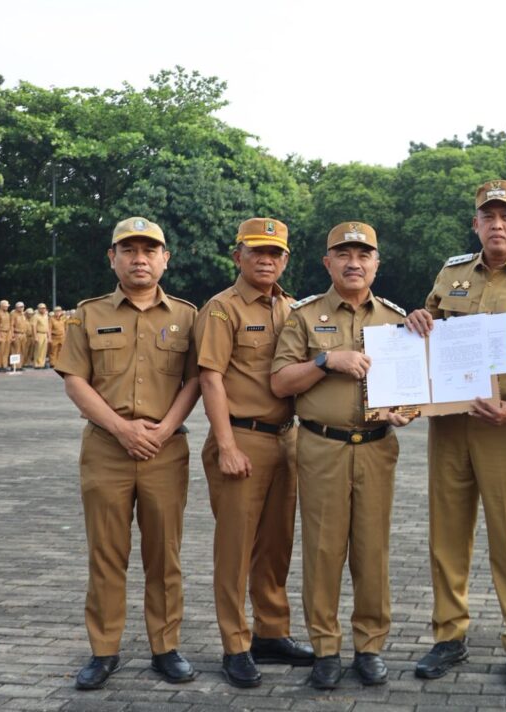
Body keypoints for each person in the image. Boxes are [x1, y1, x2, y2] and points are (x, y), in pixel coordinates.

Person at [404, 180, 506, 687]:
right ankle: (448, 635)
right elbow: (429, 327)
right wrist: (417, 320)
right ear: (475, 224)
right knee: (447, 533)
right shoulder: (452, 273)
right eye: (487, 215)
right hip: (451, 425)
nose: (497, 224)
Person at [54, 216, 201, 690]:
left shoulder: (187, 315)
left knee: (165, 554)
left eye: (149, 251)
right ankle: (104, 650)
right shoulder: (88, 314)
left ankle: (165, 646)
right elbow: (75, 380)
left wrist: (163, 429)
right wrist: (120, 428)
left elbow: (197, 379)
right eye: (129, 250)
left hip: (164, 449)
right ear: (112, 258)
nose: (140, 259)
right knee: (106, 554)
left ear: (165, 260)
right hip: (106, 448)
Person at [271, 221, 412, 690]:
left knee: (373, 552)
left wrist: (407, 410)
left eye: (363, 254)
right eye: (344, 254)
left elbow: (413, 390)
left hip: (376, 448)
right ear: (327, 262)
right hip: (321, 447)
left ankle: (369, 647)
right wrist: (325, 360)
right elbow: (280, 383)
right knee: (323, 550)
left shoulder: (397, 321)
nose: (354, 262)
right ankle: (326, 648)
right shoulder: (304, 316)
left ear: (376, 263)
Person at [193, 217, 314, 688]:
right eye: (256, 251)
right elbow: (210, 378)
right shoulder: (223, 309)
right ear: (236, 255)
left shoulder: (292, 307)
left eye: (275, 253)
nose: (267, 260)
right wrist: (225, 445)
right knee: (235, 549)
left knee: (275, 545)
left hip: (286, 438)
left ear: (285, 259)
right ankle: (235, 643)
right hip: (241, 439)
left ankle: (271, 632)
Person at [0, 299, 12, 371]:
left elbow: (10, 325)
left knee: (6, 350)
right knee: (0, 350)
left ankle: (4, 365)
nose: (7, 307)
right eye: (5, 306)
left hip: (7, 332)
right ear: (1, 306)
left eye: (7, 306)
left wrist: (10, 334)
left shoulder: (8, 314)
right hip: (1, 332)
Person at [31, 304, 51, 368]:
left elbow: (47, 327)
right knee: (38, 349)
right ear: (38, 309)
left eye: (44, 308)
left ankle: (42, 363)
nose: (43, 309)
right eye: (41, 308)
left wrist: (49, 336)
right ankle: (37, 364)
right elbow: (34, 326)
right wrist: (35, 336)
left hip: (45, 334)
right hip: (39, 333)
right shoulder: (36, 316)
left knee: (44, 350)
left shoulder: (46, 316)